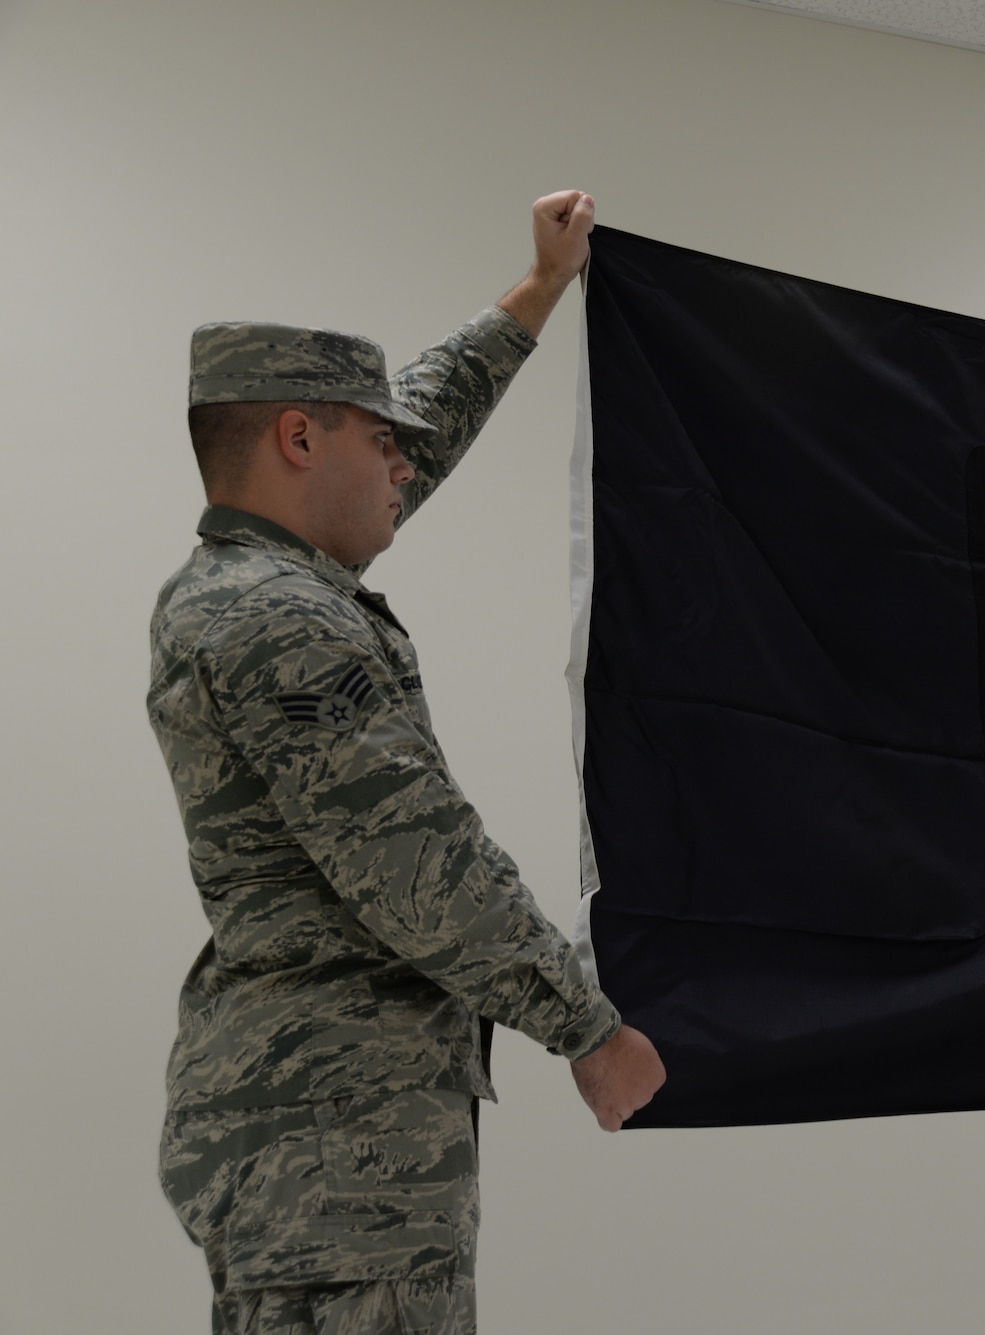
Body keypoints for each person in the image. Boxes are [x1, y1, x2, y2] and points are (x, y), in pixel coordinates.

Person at [149, 191, 666, 1334]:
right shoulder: (281, 621)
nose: (404, 465)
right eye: (378, 442)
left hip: (319, 1148)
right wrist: (587, 1028)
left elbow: (413, 430)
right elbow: (418, 864)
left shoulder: (254, 584)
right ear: (298, 439)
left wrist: (533, 295)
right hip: (338, 1168)